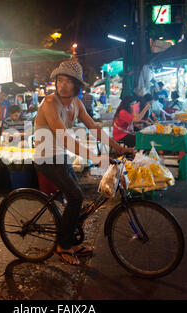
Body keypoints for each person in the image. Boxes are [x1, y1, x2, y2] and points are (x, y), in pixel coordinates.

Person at [33, 60, 133, 266]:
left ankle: (69, 239)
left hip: (61, 157)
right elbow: (65, 138)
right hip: (46, 158)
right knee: (76, 196)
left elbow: (94, 128)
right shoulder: (50, 103)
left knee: (75, 198)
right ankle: (62, 246)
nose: (62, 85)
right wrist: (96, 158)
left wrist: (119, 147)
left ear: (76, 85)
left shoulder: (76, 103)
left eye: (68, 82)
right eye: (60, 80)